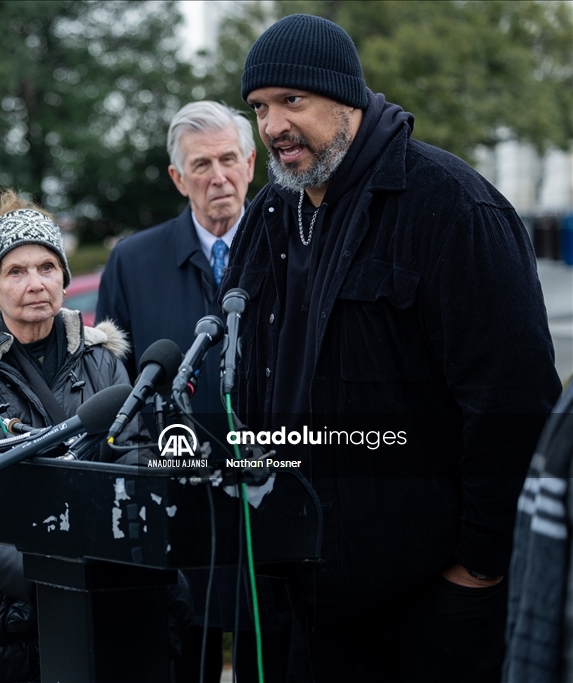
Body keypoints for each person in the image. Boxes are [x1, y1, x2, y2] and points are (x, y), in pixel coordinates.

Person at [224, 14, 562, 682]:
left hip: (428, 608)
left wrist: (477, 569)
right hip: (298, 597)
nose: (273, 126)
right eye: (260, 108)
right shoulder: (266, 218)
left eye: (294, 101)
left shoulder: (453, 207)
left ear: (346, 98)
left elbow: (514, 404)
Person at [0, 189, 151, 683]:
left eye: (46, 266)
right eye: (15, 272)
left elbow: (138, 469)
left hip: (101, 605)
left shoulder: (105, 363)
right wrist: (42, 572)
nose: (35, 283)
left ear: (64, 276)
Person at [95, 101, 282, 683]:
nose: (218, 176)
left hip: (269, 506)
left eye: (230, 159)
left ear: (252, 164)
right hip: (175, 505)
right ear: (178, 178)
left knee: (271, 656)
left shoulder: (292, 247)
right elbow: (114, 386)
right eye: (201, 164)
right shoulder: (132, 261)